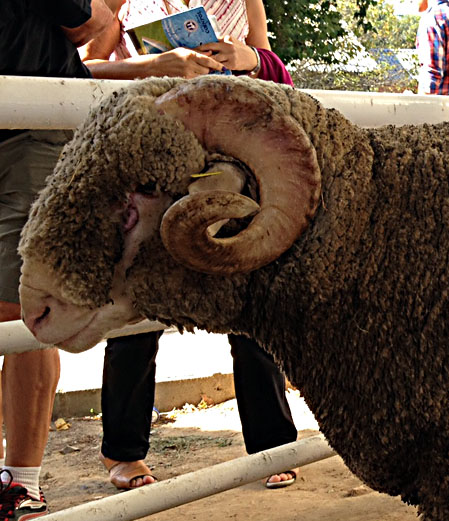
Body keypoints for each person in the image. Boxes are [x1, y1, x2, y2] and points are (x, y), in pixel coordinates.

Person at [81, 0, 300, 491]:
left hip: (229, 163)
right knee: (138, 308)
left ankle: (272, 445)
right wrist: (152, 65)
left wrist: (245, 58)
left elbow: (277, 76)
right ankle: (122, 449)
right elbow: (82, 71)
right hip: (149, 165)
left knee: (250, 299)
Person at [0, 0, 114, 521]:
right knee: (15, 308)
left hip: (30, 125)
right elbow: (91, 24)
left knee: (19, 306)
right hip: (27, 122)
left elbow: (92, 33)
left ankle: (20, 484)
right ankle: (16, 485)